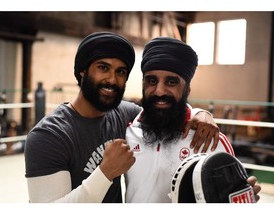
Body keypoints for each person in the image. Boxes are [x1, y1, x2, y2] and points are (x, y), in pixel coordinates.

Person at [24, 31, 220, 203]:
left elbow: (161, 108)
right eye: (103, 67)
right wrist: (105, 173)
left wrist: (200, 114)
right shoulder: (49, 136)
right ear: (82, 71)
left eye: (120, 72)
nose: (112, 79)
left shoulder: (124, 115)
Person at [124, 37, 261, 203]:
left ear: (187, 88)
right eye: (152, 81)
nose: (159, 91)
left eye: (171, 81)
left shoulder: (211, 140)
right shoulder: (127, 129)